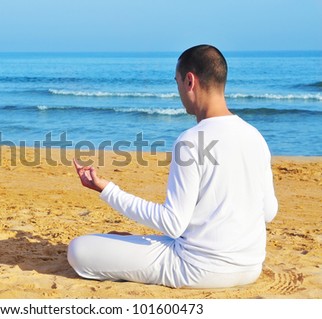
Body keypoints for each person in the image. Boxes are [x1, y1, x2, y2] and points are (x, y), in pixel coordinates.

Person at [67, 45, 278, 288]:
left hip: (197, 268)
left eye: (177, 81)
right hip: (250, 267)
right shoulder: (255, 137)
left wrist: (107, 190)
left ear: (190, 81)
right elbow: (269, 212)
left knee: (78, 249)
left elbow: (172, 223)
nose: (178, 90)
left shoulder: (191, 140)